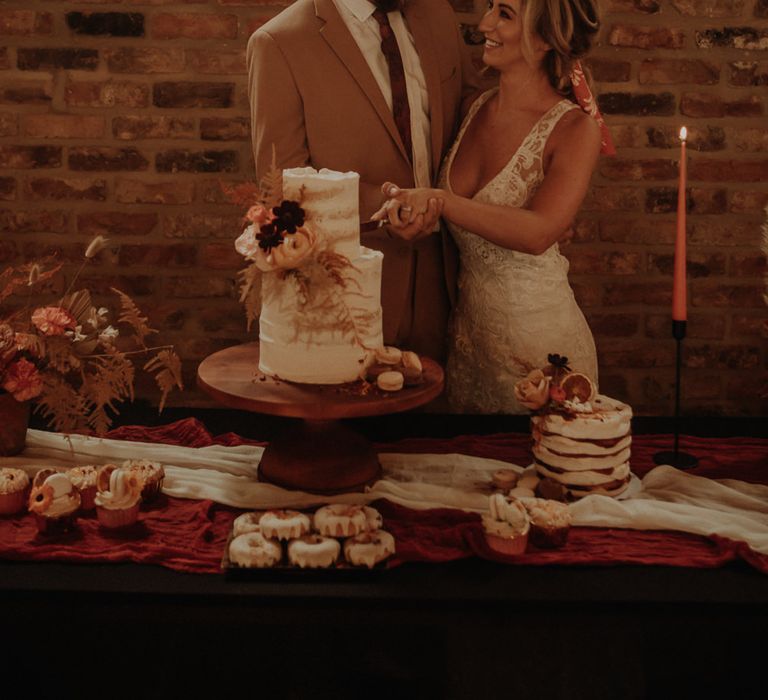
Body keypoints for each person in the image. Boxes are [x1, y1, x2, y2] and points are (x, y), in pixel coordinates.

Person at [372, 0, 615, 413]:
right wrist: (409, 211)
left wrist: (441, 200)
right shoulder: (474, 108)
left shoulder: (576, 129)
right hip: (469, 343)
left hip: (539, 347)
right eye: (489, 8)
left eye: (504, 14)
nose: (484, 23)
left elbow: (539, 232)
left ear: (543, 39)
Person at [246, 0, 481, 363]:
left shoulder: (437, 13)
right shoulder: (279, 43)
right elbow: (283, 188)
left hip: (450, 282)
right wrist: (387, 208)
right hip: (347, 296)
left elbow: (472, 116)